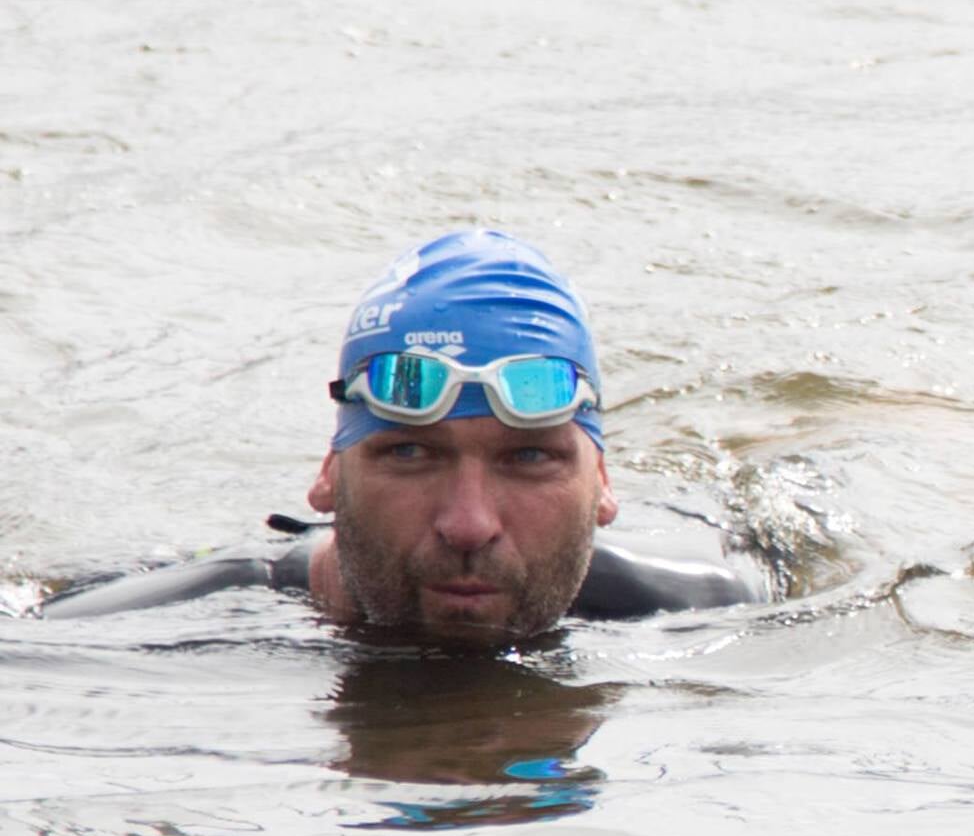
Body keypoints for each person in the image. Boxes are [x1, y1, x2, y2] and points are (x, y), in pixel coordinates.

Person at [40, 230, 765, 639]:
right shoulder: (168, 619)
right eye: (411, 453)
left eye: (530, 457)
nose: (469, 524)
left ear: (602, 482)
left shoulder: (708, 606)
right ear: (329, 473)